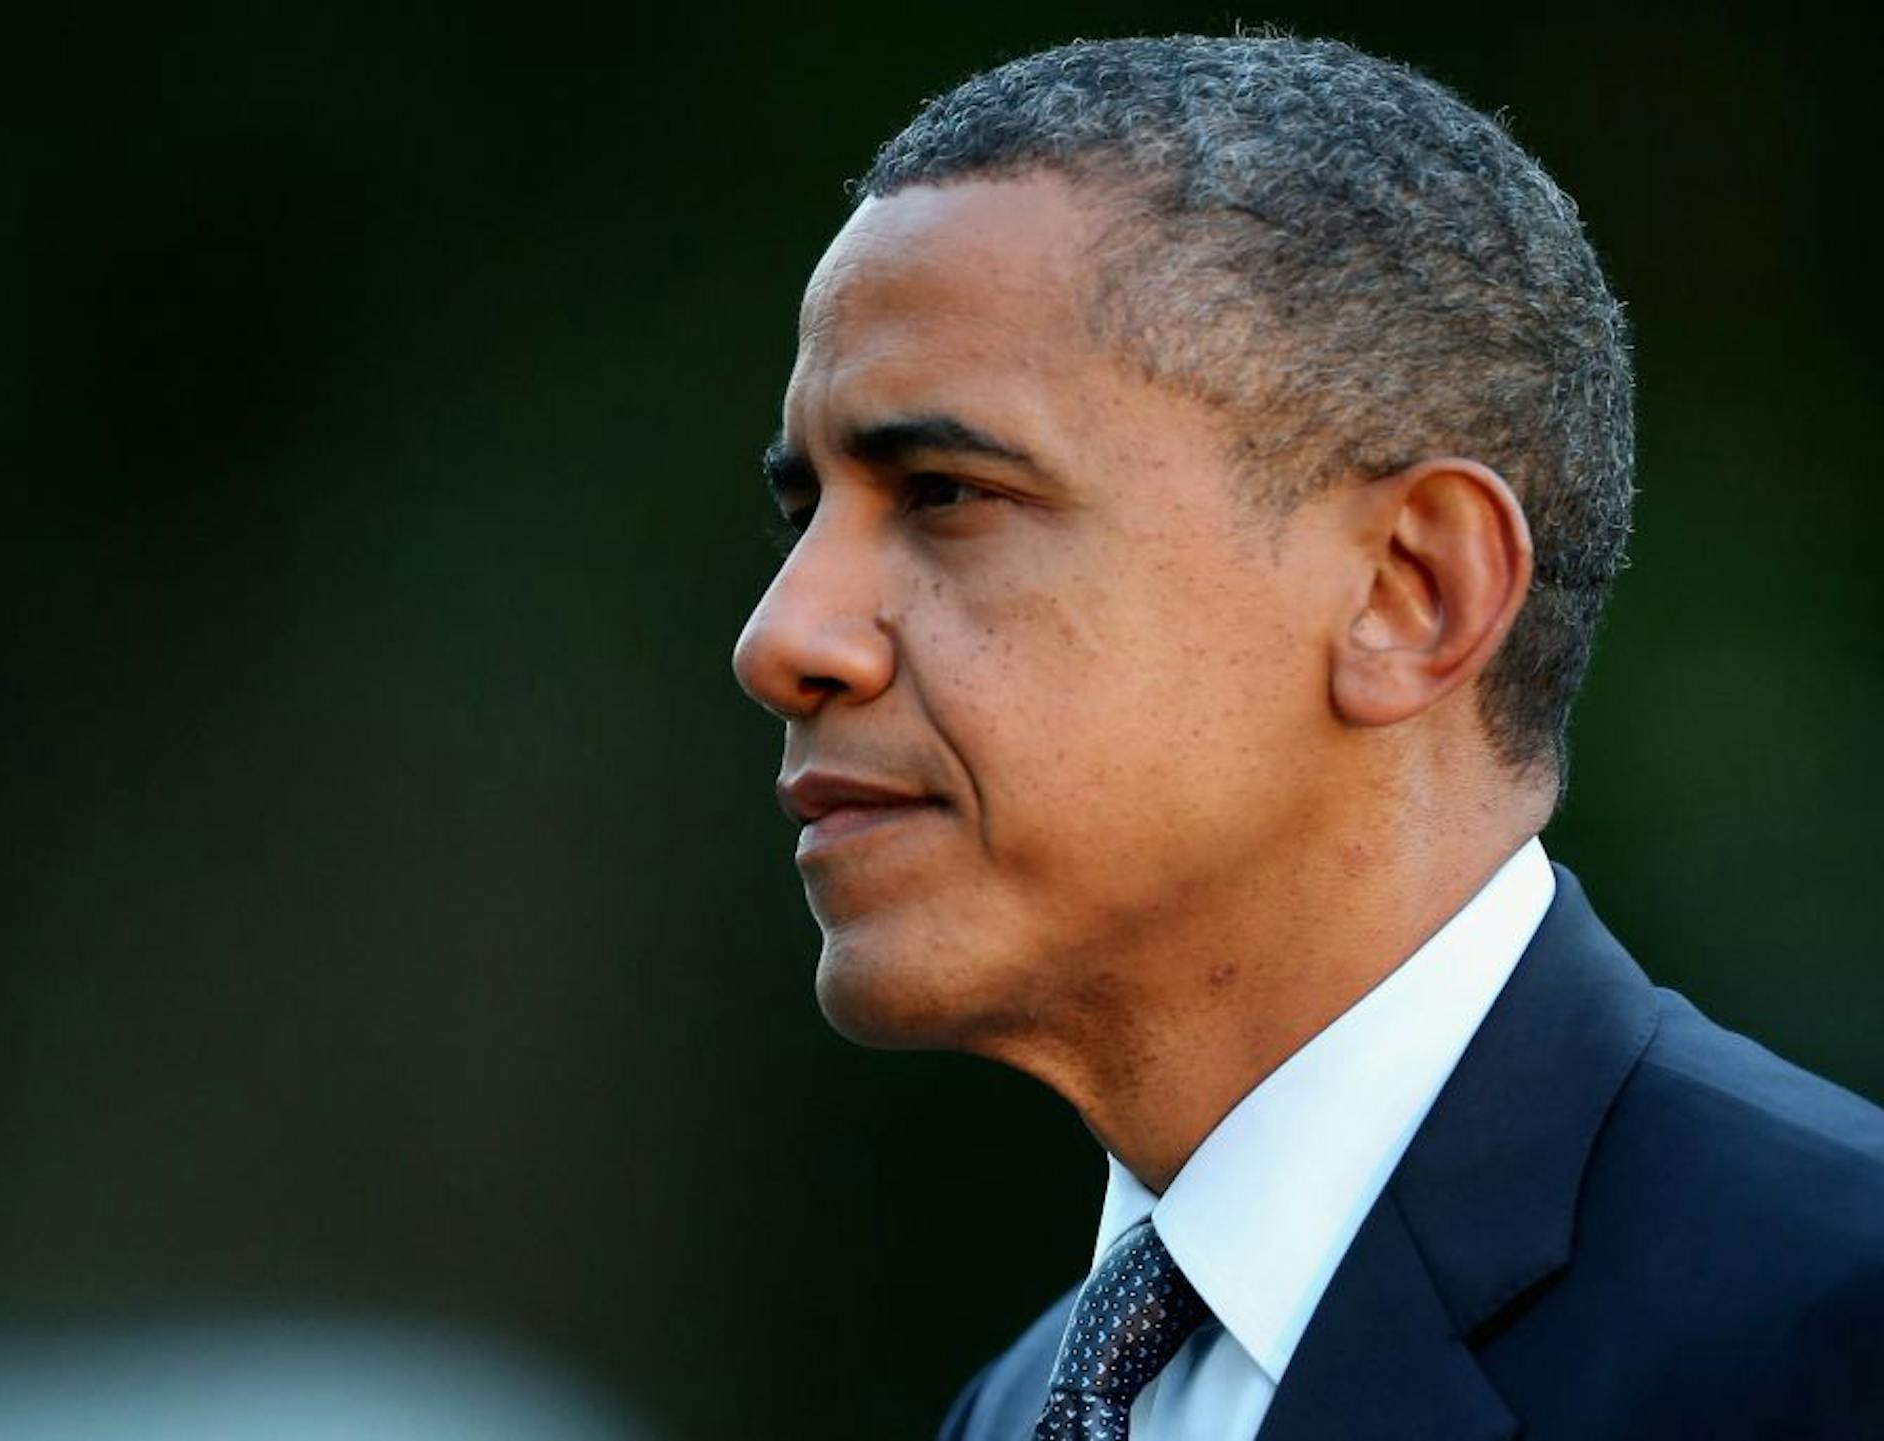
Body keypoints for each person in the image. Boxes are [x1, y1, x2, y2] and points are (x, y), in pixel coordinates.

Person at [730, 33, 1884, 1441]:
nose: (784, 639)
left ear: (1413, 593)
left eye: (949, 493)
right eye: (808, 514)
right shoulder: (1026, 1402)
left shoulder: (1833, 1331)